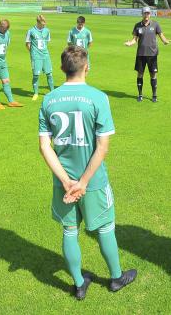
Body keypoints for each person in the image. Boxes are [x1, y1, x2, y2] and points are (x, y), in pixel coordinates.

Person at [38, 45, 137, 300]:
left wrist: (66, 181)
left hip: (63, 184)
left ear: (62, 68)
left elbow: (44, 146)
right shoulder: (98, 97)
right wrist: (82, 182)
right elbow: (103, 146)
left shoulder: (49, 99)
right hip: (92, 181)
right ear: (87, 67)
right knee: (105, 228)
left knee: (69, 231)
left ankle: (80, 284)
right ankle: (116, 277)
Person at [124, 7, 171, 102]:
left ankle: (154, 95)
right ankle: (140, 95)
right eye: (145, 13)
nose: (146, 15)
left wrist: (165, 41)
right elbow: (134, 39)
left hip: (152, 54)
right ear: (142, 14)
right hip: (141, 54)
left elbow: (161, 35)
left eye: (148, 13)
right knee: (140, 74)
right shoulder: (137, 26)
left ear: (150, 14)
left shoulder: (155, 24)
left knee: (153, 74)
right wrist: (130, 43)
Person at [26, 14, 54, 100]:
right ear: (38, 22)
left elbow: (46, 42)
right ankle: (35, 93)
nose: (44, 24)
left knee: (49, 74)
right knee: (36, 75)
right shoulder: (31, 31)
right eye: (43, 23)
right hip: (36, 56)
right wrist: (33, 53)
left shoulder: (47, 30)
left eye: (45, 23)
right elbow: (27, 43)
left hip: (45, 55)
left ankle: (52, 92)